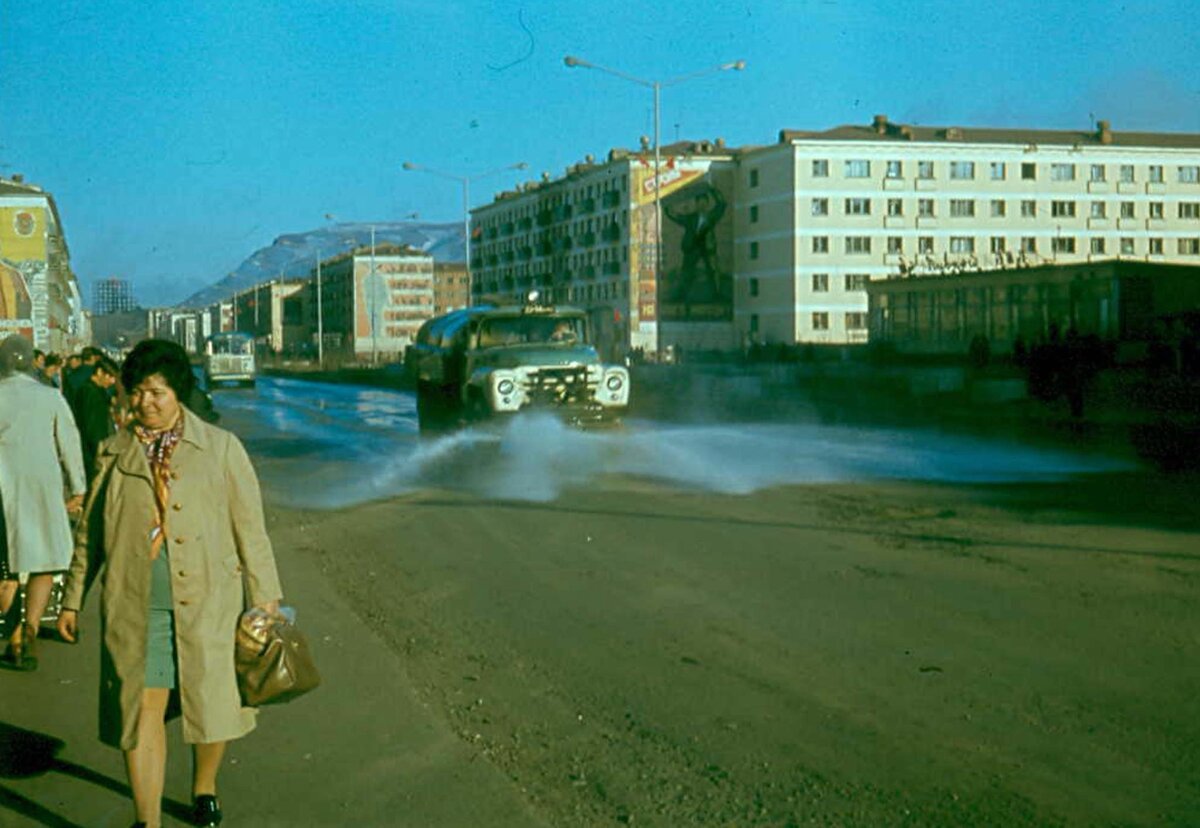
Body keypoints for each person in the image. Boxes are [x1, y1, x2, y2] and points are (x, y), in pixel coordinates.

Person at [59, 338, 283, 828]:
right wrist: (72, 599)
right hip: (137, 607)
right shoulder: (113, 453)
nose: (147, 403)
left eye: (157, 392)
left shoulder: (220, 448)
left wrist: (265, 598)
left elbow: (251, 529)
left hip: (210, 603)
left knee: (211, 702)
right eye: (138, 392)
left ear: (178, 392)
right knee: (143, 709)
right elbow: (90, 534)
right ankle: (148, 820)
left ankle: (204, 787)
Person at [0, 335, 87, 670]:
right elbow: (69, 442)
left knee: (7, 563)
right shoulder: (50, 396)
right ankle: (30, 628)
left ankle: (12, 626)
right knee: (43, 562)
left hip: (2, 490)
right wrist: (78, 487)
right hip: (42, 488)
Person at [74, 355, 121, 482]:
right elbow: (93, 428)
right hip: (92, 454)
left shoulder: (94, 391)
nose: (112, 381)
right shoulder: (91, 393)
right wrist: (100, 453)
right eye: (110, 376)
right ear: (99, 372)